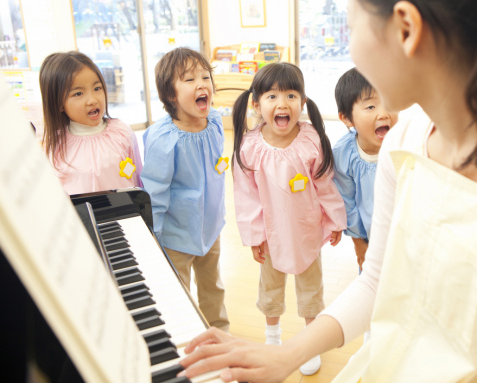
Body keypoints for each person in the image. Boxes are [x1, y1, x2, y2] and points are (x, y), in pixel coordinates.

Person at [179, 0, 477, 382]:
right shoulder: (405, 138)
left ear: (406, 28)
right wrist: (285, 354)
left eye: (352, 25)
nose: (352, 50)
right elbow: (377, 280)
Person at [230, 62, 347, 375]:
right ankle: (273, 336)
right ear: (256, 103)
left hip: (306, 232)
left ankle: (309, 343)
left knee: (311, 290)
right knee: (270, 288)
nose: (282, 104)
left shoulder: (311, 141)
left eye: (291, 95)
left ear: (303, 103)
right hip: (271, 234)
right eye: (272, 96)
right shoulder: (250, 147)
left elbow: (325, 183)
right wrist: (255, 236)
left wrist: (335, 219)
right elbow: (247, 196)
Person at [140, 47, 229, 331]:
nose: (202, 84)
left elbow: (217, 169)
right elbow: (154, 193)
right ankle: (188, 334)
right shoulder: (164, 138)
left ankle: (218, 329)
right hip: (176, 235)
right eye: (189, 80)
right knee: (179, 291)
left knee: (213, 284)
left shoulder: (215, 121)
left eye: (205, 76)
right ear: (170, 94)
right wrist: (154, 236)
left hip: (210, 228)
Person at [39, 51, 142, 195]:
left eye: (97, 88)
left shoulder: (122, 132)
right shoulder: (55, 146)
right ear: (59, 104)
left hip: (125, 215)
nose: (92, 100)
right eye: (78, 93)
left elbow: (138, 178)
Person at [332, 67, 398, 272]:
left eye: (389, 102)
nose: (383, 113)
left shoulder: (405, 143)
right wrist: (359, 244)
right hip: (372, 241)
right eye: (370, 107)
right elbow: (348, 203)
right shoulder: (343, 154)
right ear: (347, 118)